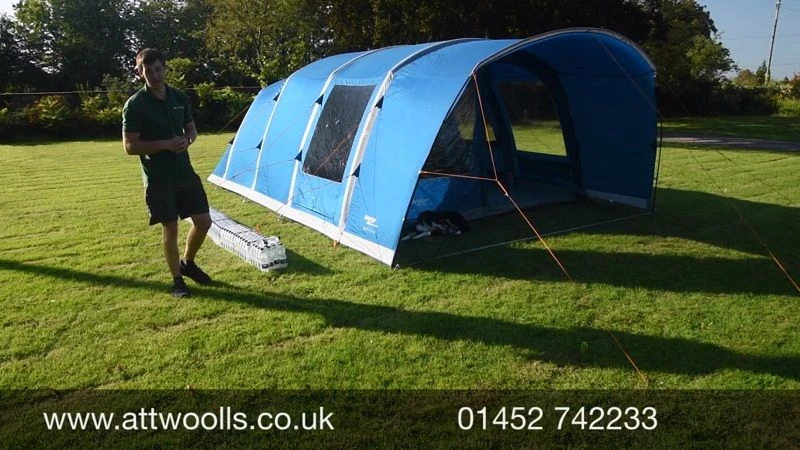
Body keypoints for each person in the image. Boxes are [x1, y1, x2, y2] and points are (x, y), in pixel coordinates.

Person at [122, 48, 213, 298]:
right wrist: (165, 144)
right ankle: (177, 281)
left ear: (165, 68)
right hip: (159, 178)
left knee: (204, 222)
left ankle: (188, 263)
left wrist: (187, 140)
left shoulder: (179, 97)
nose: (154, 75)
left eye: (158, 69)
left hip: (185, 172)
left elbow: (191, 131)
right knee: (171, 228)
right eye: (148, 71)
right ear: (139, 72)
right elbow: (130, 146)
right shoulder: (135, 105)